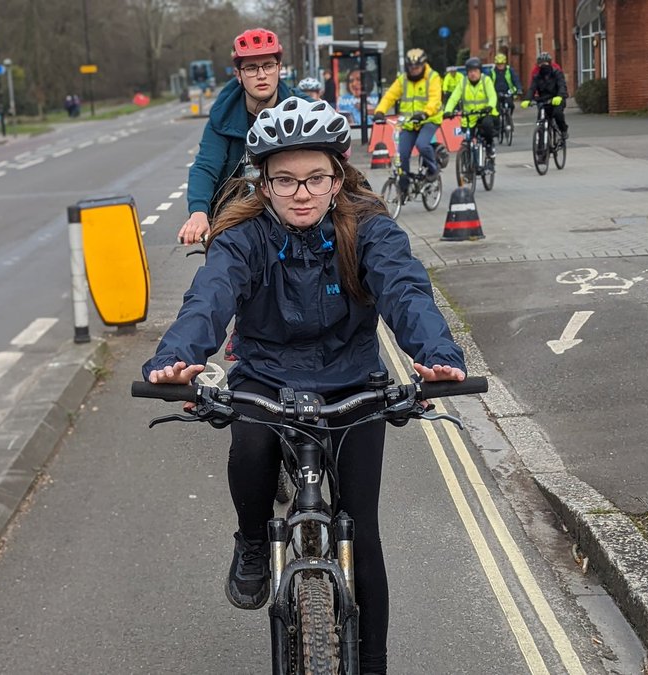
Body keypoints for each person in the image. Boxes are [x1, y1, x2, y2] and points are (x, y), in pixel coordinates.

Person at [143, 96, 466, 675]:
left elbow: (405, 291)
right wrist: (178, 359)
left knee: (362, 533)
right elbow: (210, 296)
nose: (301, 192)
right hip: (265, 377)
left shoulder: (368, 229)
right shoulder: (243, 236)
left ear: (337, 176)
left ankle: (373, 665)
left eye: (315, 177)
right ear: (262, 184)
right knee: (250, 444)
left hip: (353, 382)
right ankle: (250, 541)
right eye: (284, 180)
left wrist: (436, 356)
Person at [177, 28, 295, 246]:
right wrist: (198, 212)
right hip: (236, 218)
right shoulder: (223, 118)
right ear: (238, 75)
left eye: (268, 65)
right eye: (250, 68)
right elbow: (205, 166)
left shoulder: (301, 109)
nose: (261, 75)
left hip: (289, 216)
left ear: (279, 69)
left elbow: (333, 161)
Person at [372, 48, 446, 194]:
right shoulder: (403, 79)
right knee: (402, 154)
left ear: (423, 64)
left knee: (422, 145)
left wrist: (425, 113)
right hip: (409, 123)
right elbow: (390, 96)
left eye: (417, 67)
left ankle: (433, 168)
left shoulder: (432, 77)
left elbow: (435, 99)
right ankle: (404, 184)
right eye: (411, 67)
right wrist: (380, 111)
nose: (414, 70)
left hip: (428, 120)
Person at [444, 57, 498, 162]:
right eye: (470, 71)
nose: (473, 74)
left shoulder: (486, 80)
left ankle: (489, 146)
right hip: (469, 117)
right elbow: (454, 98)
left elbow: (492, 96)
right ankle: (468, 163)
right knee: (467, 139)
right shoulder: (463, 82)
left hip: (485, 114)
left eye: (475, 71)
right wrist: (448, 110)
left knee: (487, 127)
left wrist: (490, 106)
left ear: (480, 71)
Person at [521, 52, 569, 140]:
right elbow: (532, 88)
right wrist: (527, 99)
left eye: (545, 63)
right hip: (543, 100)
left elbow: (562, 85)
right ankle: (540, 147)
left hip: (556, 99)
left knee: (558, 114)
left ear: (550, 63)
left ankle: (563, 130)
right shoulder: (537, 77)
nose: (543, 66)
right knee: (540, 121)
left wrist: (559, 96)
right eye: (541, 64)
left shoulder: (557, 73)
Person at [489, 53, 521, 122]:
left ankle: (509, 117)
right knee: (496, 109)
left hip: (508, 91)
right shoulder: (492, 72)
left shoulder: (510, 70)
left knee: (511, 105)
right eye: (498, 64)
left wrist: (519, 89)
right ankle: (498, 123)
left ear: (505, 63)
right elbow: (488, 83)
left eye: (502, 64)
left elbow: (515, 79)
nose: (500, 66)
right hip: (496, 93)